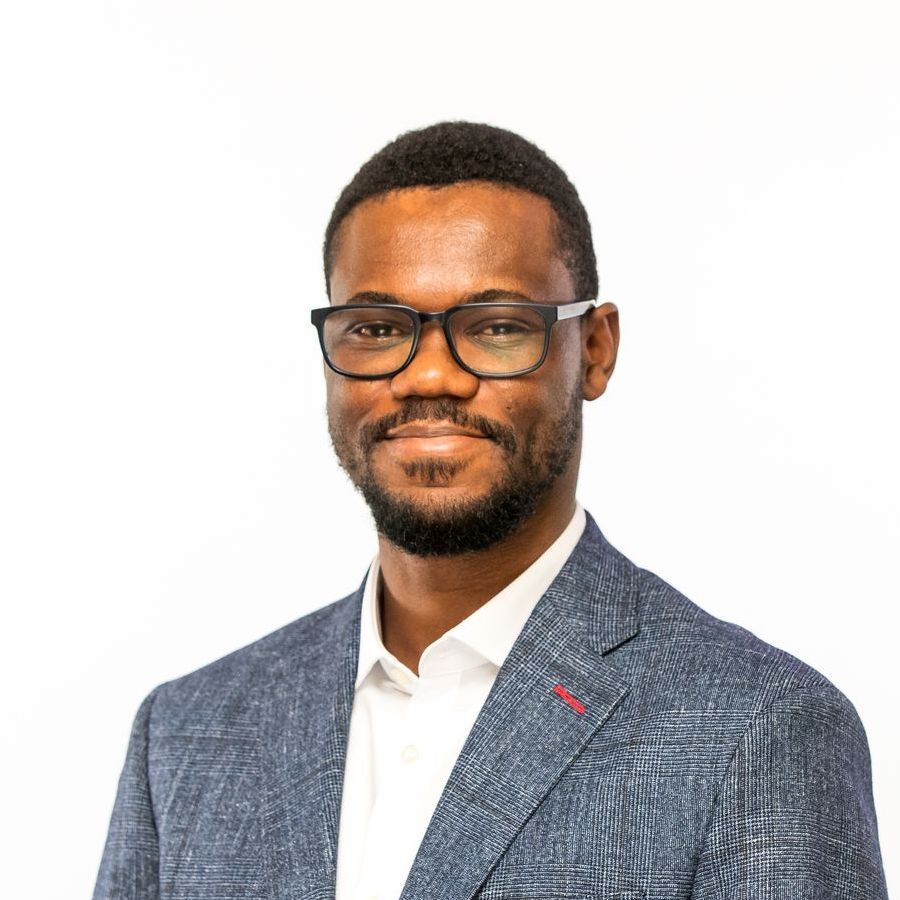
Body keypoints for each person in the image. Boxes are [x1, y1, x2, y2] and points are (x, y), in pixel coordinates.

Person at [93, 122, 888, 900]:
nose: (429, 375)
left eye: (497, 328)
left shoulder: (760, 730)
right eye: (376, 328)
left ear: (596, 350)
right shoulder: (187, 735)